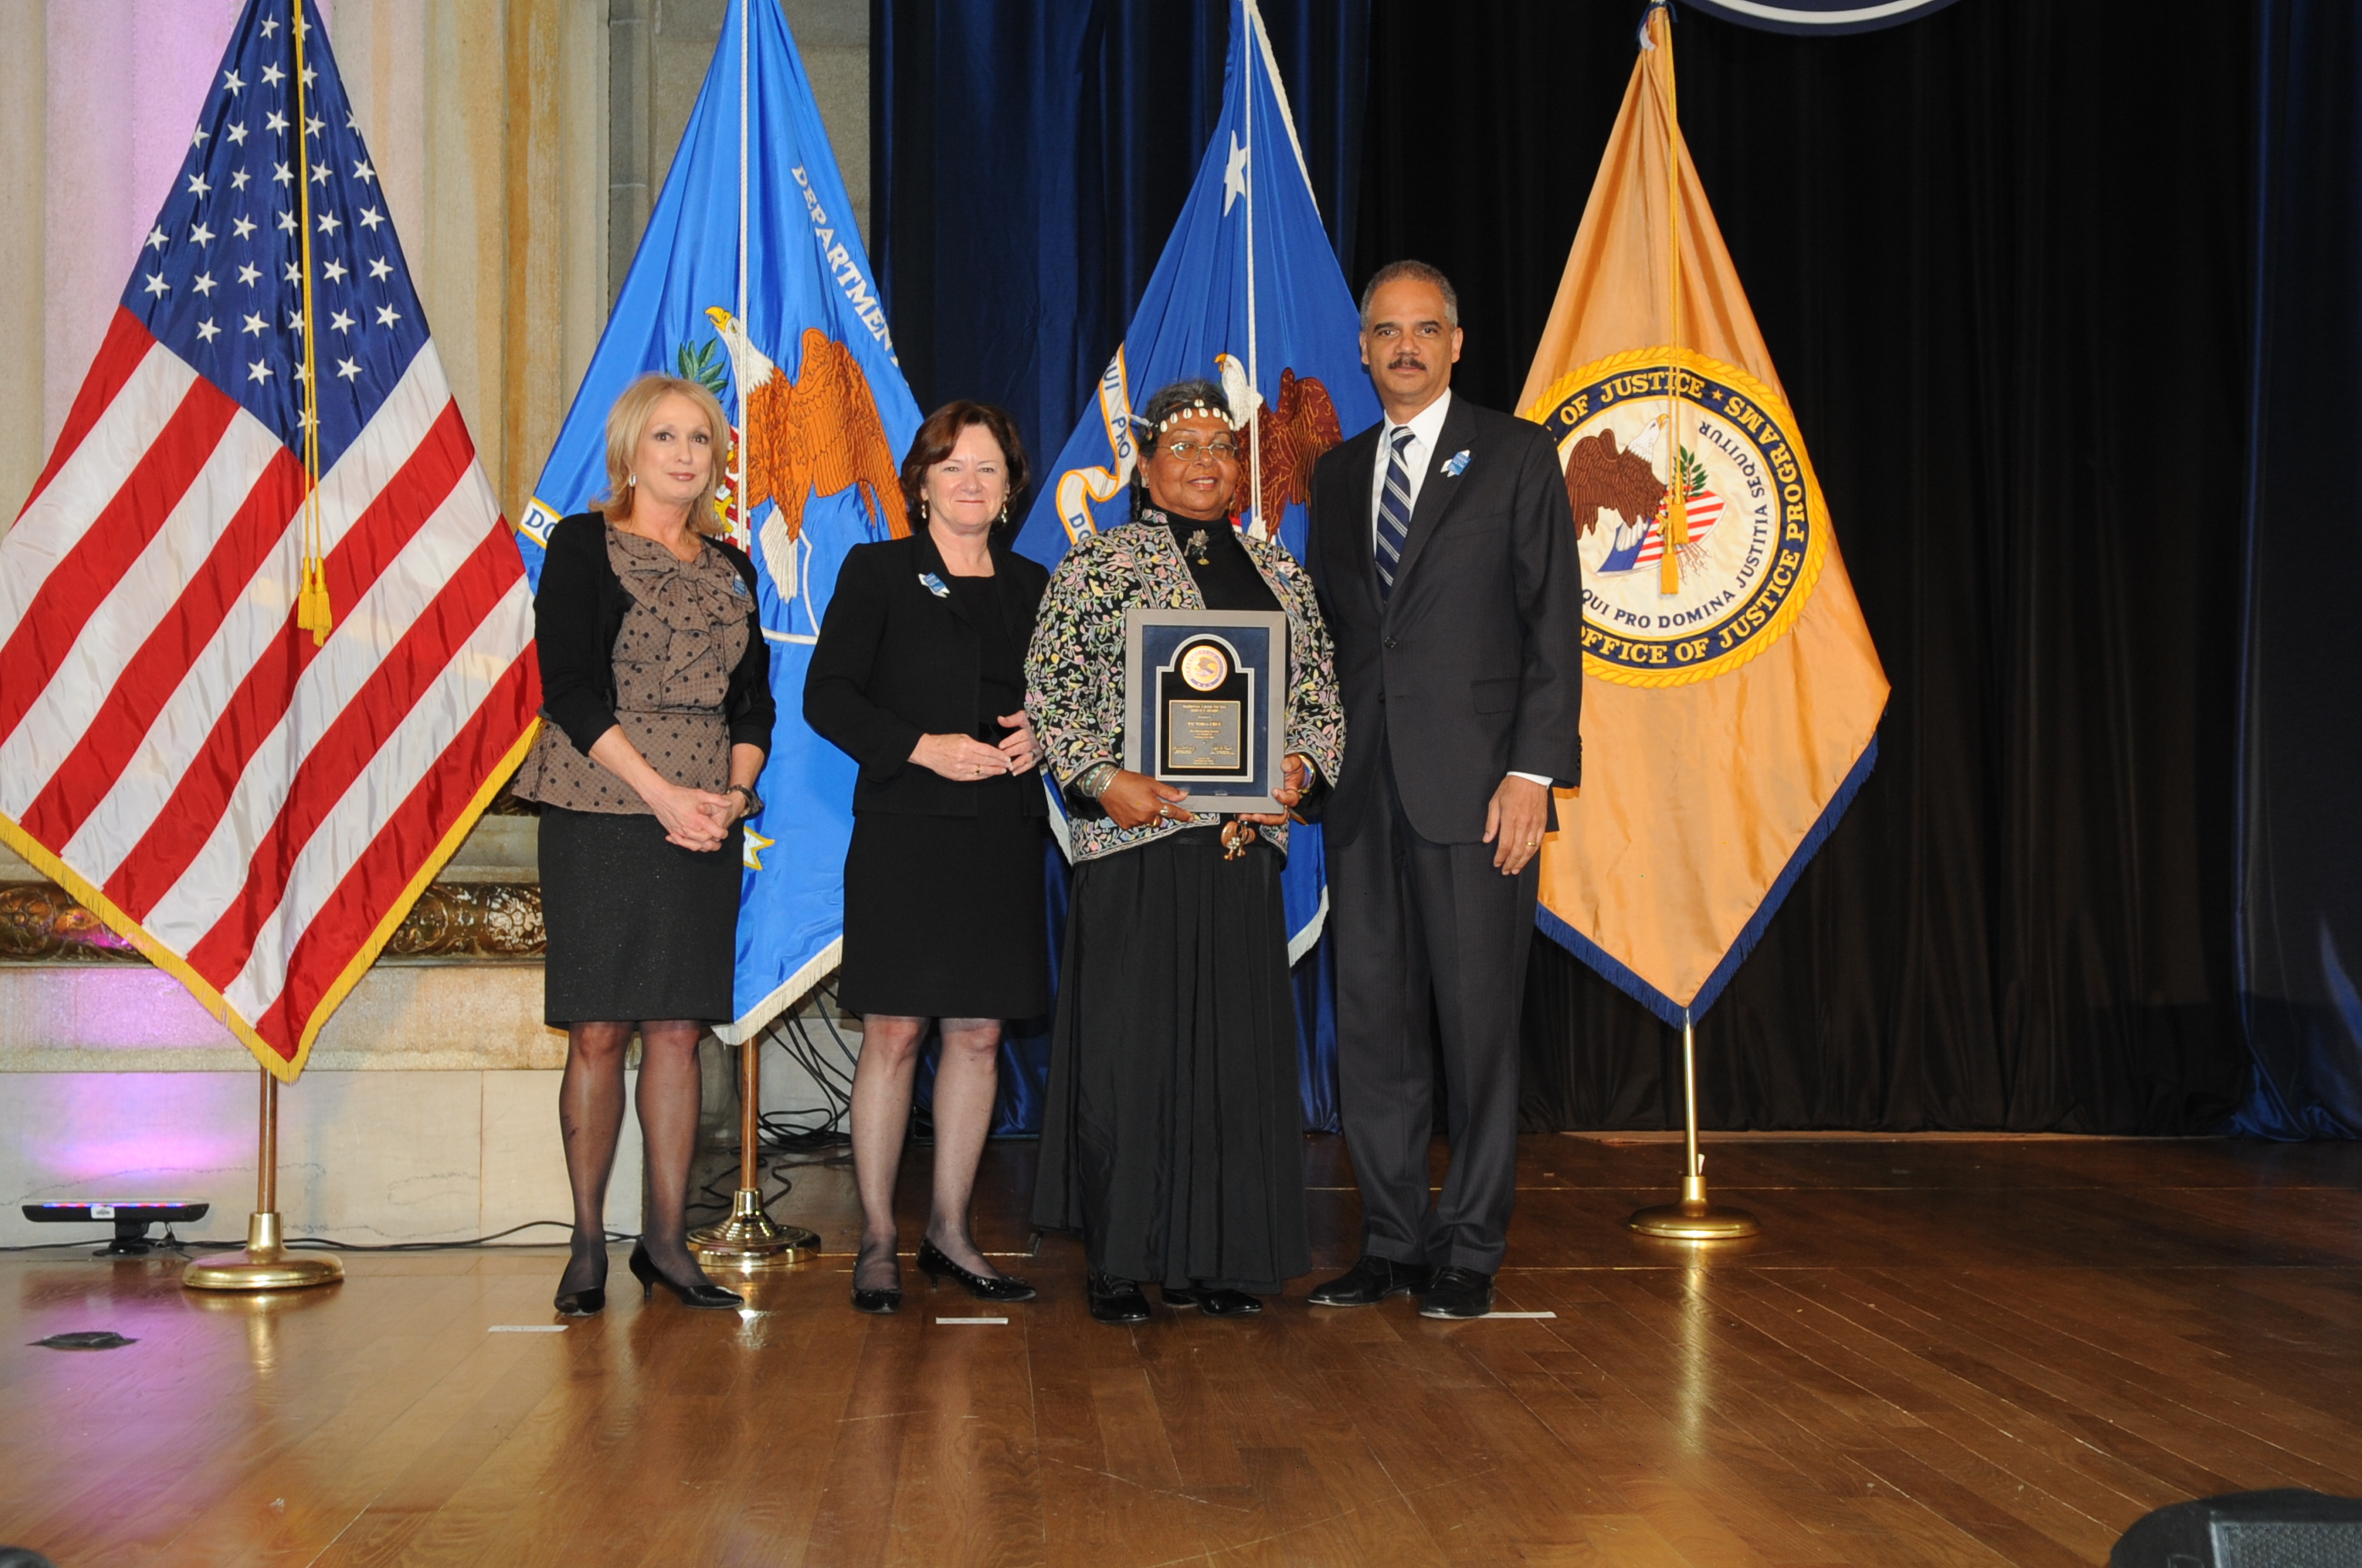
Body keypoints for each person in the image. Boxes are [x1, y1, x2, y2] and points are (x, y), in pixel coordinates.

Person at [1027, 378, 1346, 1324]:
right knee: (1131, 1057)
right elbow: (1052, 691)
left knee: (1231, 1058)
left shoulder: (1281, 571)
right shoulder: (1096, 569)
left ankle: (1222, 1262)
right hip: (1135, 843)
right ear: (1147, 463)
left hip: (1240, 850)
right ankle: (1123, 1263)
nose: (1206, 462)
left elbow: (1322, 694)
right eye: (1185, 447)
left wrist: (1298, 761)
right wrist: (1099, 777)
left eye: (1220, 446)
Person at [1304, 261, 1586, 1319]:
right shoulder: (1338, 474)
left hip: (1479, 793)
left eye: (1427, 329)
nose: (1407, 347)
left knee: (1476, 1032)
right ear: (1366, 347)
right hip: (1362, 793)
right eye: (1387, 331)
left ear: (1457, 344)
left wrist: (1531, 774)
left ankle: (1468, 1247)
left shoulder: (1517, 455)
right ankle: (1391, 1241)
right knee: (1373, 1027)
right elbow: (1333, 644)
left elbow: (1553, 625)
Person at [510, 372, 773, 1317]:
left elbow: (755, 705)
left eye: (700, 439)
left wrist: (732, 796)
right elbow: (568, 687)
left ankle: (665, 1243)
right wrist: (662, 795)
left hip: (704, 817)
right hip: (602, 801)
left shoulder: (733, 566)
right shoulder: (583, 544)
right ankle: (587, 1243)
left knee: (677, 1028)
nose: (685, 455)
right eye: (666, 437)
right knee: (600, 1028)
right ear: (631, 450)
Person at [805, 402, 1050, 1316]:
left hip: (999, 832)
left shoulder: (1034, 585)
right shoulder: (877, 572)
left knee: (980, 1035)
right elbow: (828, 697)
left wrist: (1045, 738)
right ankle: (877, 1235)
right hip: (907, 829)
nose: (972, 484)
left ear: (1011, 488)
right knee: (897, 1032)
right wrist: (920, 745)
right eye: (954, 468)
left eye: (989, 469)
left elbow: (1065, 699)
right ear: (921, 482)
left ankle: (950, 1231)